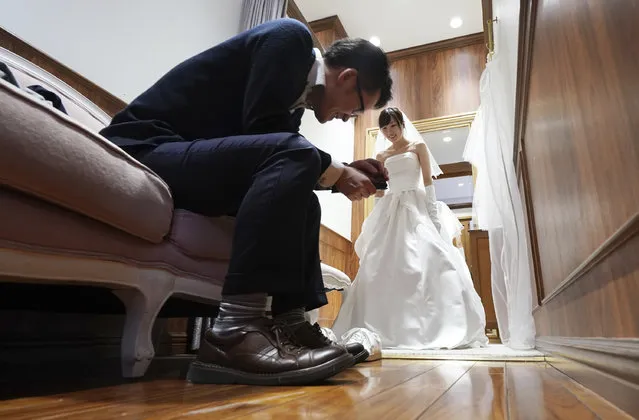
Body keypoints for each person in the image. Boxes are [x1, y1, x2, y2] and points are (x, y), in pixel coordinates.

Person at [99, 18, 393, 385]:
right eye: (358, 107)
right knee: (295, 154)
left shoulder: (294, 103)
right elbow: (271, 140)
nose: (349, 117)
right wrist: (336, 171)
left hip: (185, 158)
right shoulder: (291, 39)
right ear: (347, 77)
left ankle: (290, 326)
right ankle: (234, 331)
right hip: (143, 148)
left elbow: (276, 163)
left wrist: (342, 172)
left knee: (304, 197)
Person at [331, 108, 489, 350]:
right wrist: (371, 198)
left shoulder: (418, 147)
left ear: (401, 124)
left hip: (415, 204)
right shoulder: (382, 154)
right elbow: (381, 190)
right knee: (379, 262)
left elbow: (427, 181)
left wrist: (433, 216)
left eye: (392, 126)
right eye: (384, 128)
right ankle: (381, 326)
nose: (389, 132)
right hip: (390, 207)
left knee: (429, 258)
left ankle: (434, 325)